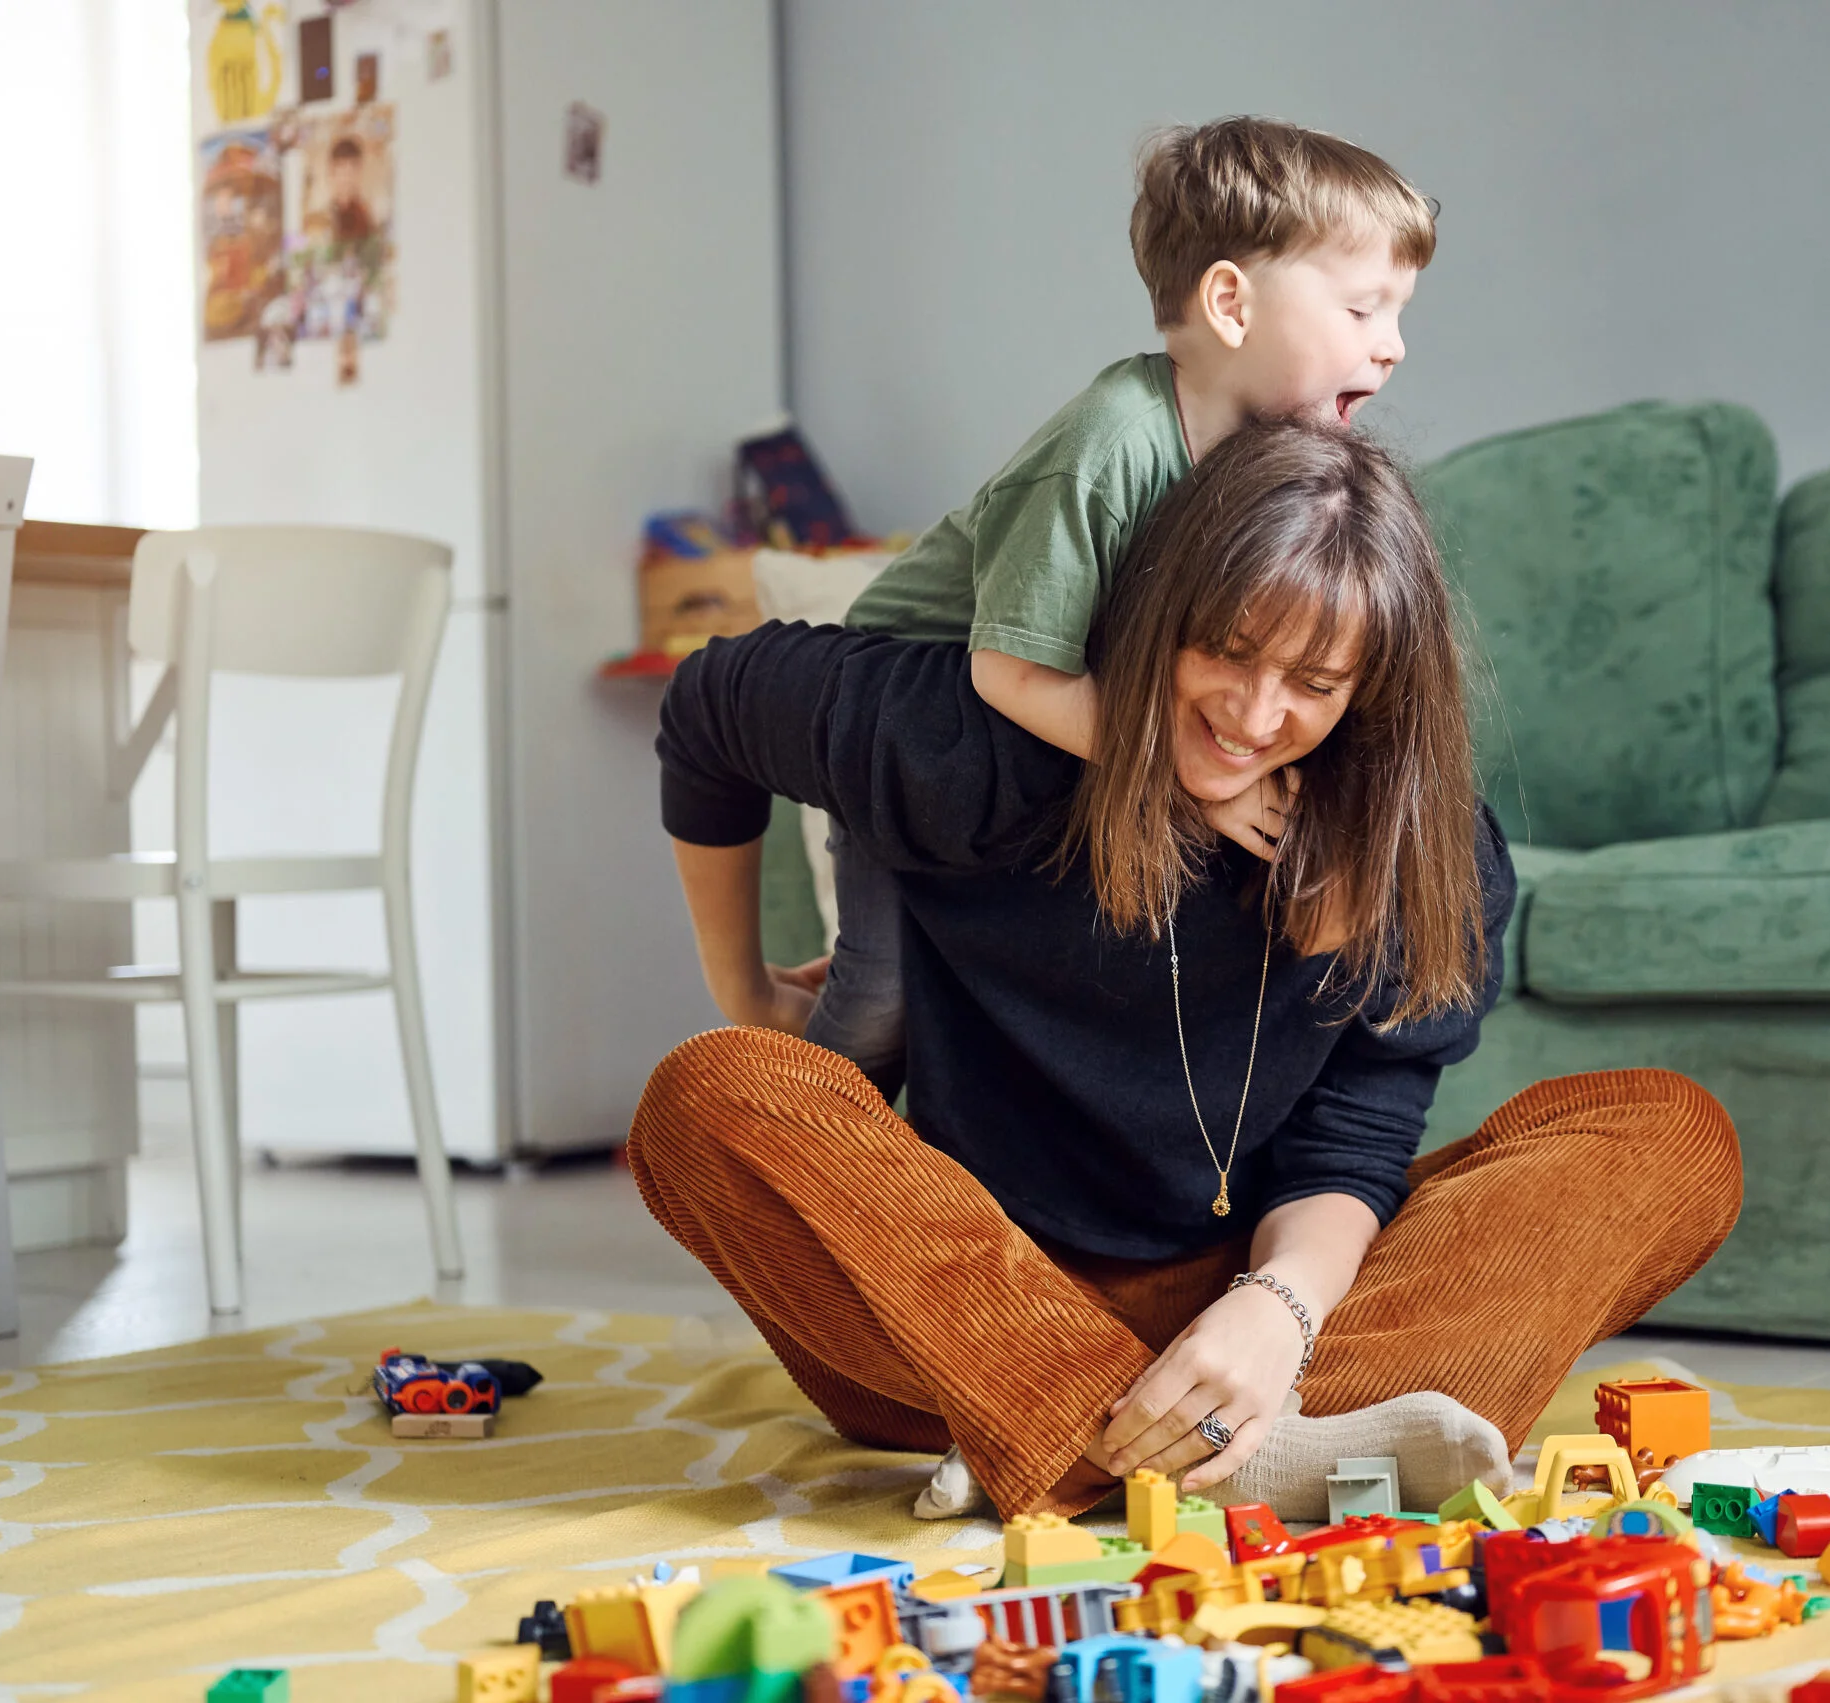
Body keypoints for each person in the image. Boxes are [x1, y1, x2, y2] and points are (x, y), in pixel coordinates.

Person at [641, 418, 1744, 1523]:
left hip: (1257, 1314)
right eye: (1223, 651)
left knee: (1668, 1133)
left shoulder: (1421, 849)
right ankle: (1229, 1450)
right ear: (1154, 611)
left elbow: (1352, 1145)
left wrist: (1276, 1313)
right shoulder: (969, 740)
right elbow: (707, 707)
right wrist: (739, 983)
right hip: (964, 1308)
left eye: (1312, 683)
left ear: (1372, 689)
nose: (1254, 718)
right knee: (707, 1092)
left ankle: (1110, 1438)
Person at [805, 116, 1435, 1100]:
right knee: (879, 997)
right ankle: (774, 1140)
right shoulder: (1109, 451)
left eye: (1398, 315)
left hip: (1035, 724)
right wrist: (1202, 780)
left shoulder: (1250, 464)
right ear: (1231, 301)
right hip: (920, 711)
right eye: (1364, 311)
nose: (1391, 348)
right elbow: (1009, 671)